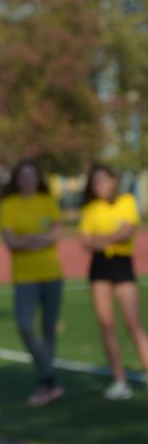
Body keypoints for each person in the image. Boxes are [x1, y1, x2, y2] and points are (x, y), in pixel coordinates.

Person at [0, 159, 64, 406]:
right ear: (17, 179)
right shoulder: (8, 205)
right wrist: (40, 239)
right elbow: (12, 242)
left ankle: (47, 383)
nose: (27, 180)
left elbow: (57, 234)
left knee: (49, 331)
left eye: (32, 175)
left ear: (38, 178)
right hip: (24, 278)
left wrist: (27, 239)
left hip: (52, 274)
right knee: (25, 325)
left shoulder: (47, 201)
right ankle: (50, 379)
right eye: (23, 176)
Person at [78, 164, 148, 399]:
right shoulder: (90, 208)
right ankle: (120, 380)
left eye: (104, 180)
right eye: (95, 181)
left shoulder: (127, 201)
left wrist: (102, 239)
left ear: (113, 181)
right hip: (99, 267)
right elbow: (86, 242)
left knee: (133, 324)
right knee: (106, 325)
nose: (100, 185)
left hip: (122, 265)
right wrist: (109, 238)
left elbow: (128, 231)